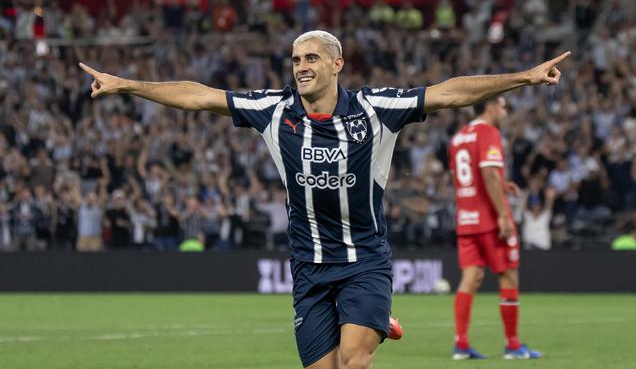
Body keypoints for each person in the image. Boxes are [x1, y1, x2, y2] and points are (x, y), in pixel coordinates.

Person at [80, 30, 568, 368]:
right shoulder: (274, 110)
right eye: (296, 60)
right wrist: (127, 85)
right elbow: (199, 96)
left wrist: (524, 76)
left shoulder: (375, 108)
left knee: (354, 361)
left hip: (364, 260)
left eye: (311, 58)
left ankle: (368, 319)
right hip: (309, 268)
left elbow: (450, 93)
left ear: (337, 64)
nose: (301, 67)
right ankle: (374, 321)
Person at [448, 96, 543, 360]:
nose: (505, 112)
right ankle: (513, 346)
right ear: (490, 107)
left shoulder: (459, 137)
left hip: (466, 217)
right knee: (509, 276)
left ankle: (461, 344)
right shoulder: (489, 133)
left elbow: (467, 176)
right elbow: (488, 173)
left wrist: (501, 184)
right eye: (502, 107)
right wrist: (503, 214)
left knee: (471, 277)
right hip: (490, 219)